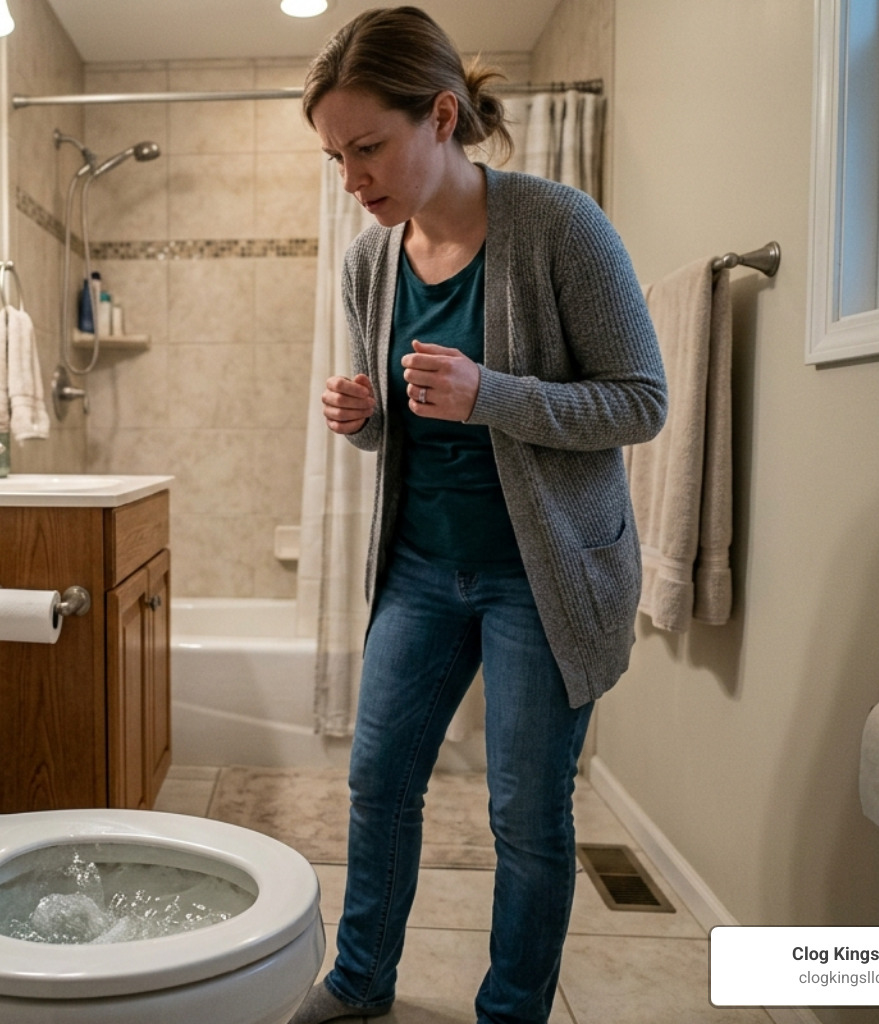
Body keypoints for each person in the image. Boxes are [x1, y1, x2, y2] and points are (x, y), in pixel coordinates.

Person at [289, 8, 667, 1024]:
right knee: (377, 781)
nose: (352, 177)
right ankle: (361, 979)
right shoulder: (371, 263)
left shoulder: (559, 226)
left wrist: (491, 389)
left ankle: (511, 1012)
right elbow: (414, 428)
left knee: (527, 816)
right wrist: (368, 419)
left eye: (368, 146)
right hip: (421, 565)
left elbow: (642, 400)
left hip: (542, 576)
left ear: (442, 115)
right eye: (336, 155)